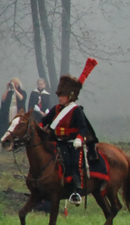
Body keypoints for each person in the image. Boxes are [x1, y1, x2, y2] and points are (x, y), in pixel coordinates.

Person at [39, 58, 99, 205]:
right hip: (57, 142)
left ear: (70, 96)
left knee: (73, 163)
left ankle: (77, 191)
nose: (60, 98)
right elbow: (45, 121)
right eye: (59, 95)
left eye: (63, 96)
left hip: (73, 143)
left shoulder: (76, 110)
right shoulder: (56, 109)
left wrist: (79, 138)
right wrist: (38, 127)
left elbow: (83, 127)